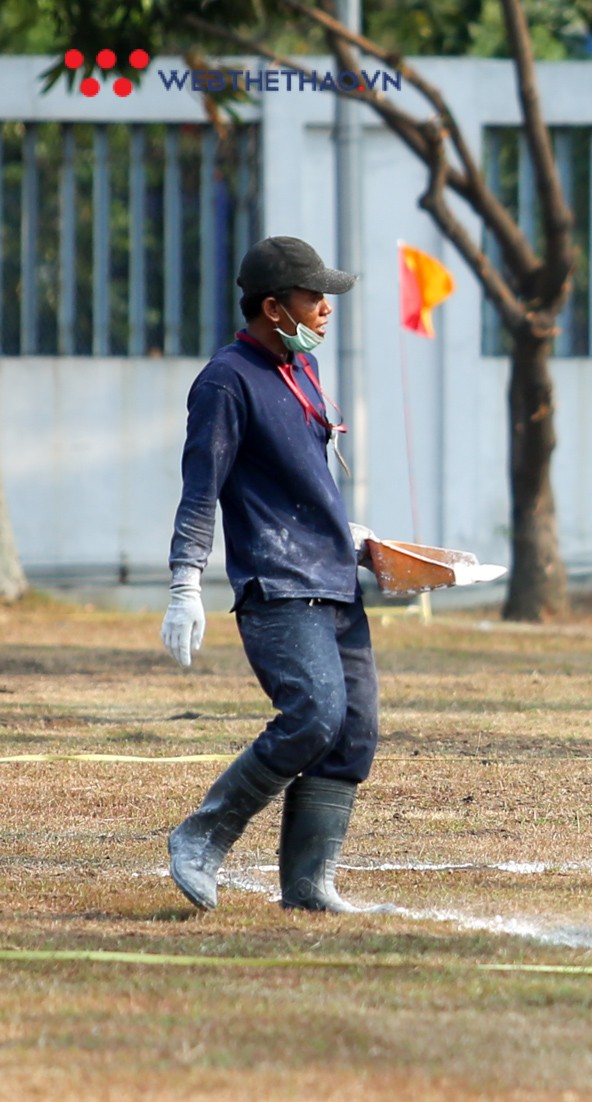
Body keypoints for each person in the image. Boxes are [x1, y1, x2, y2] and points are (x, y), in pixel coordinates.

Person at [161, 235, 390, 913]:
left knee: (354, 731)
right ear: (272, 305)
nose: (326, 308)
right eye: (313, 296)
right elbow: (202, 488)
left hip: (334, 580)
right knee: (314, 715)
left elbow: (301, 481)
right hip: (279, 587)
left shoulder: (300, 371)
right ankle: (201, 836)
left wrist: (352, 538)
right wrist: (184, 584)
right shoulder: (225, 382)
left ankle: (310, 886)